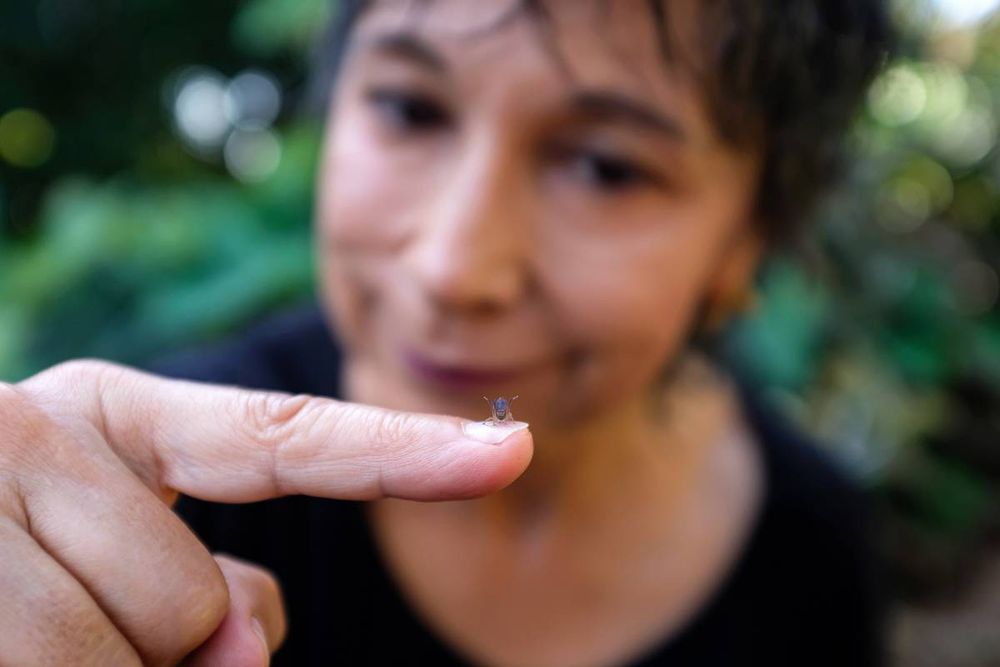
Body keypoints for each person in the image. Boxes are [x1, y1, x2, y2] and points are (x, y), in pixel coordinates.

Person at [0, 0, 893, 665]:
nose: (451, 268)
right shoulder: (162, 503)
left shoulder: (811, 545)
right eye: (410, 109)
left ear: (748, 243)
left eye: (605, 166)